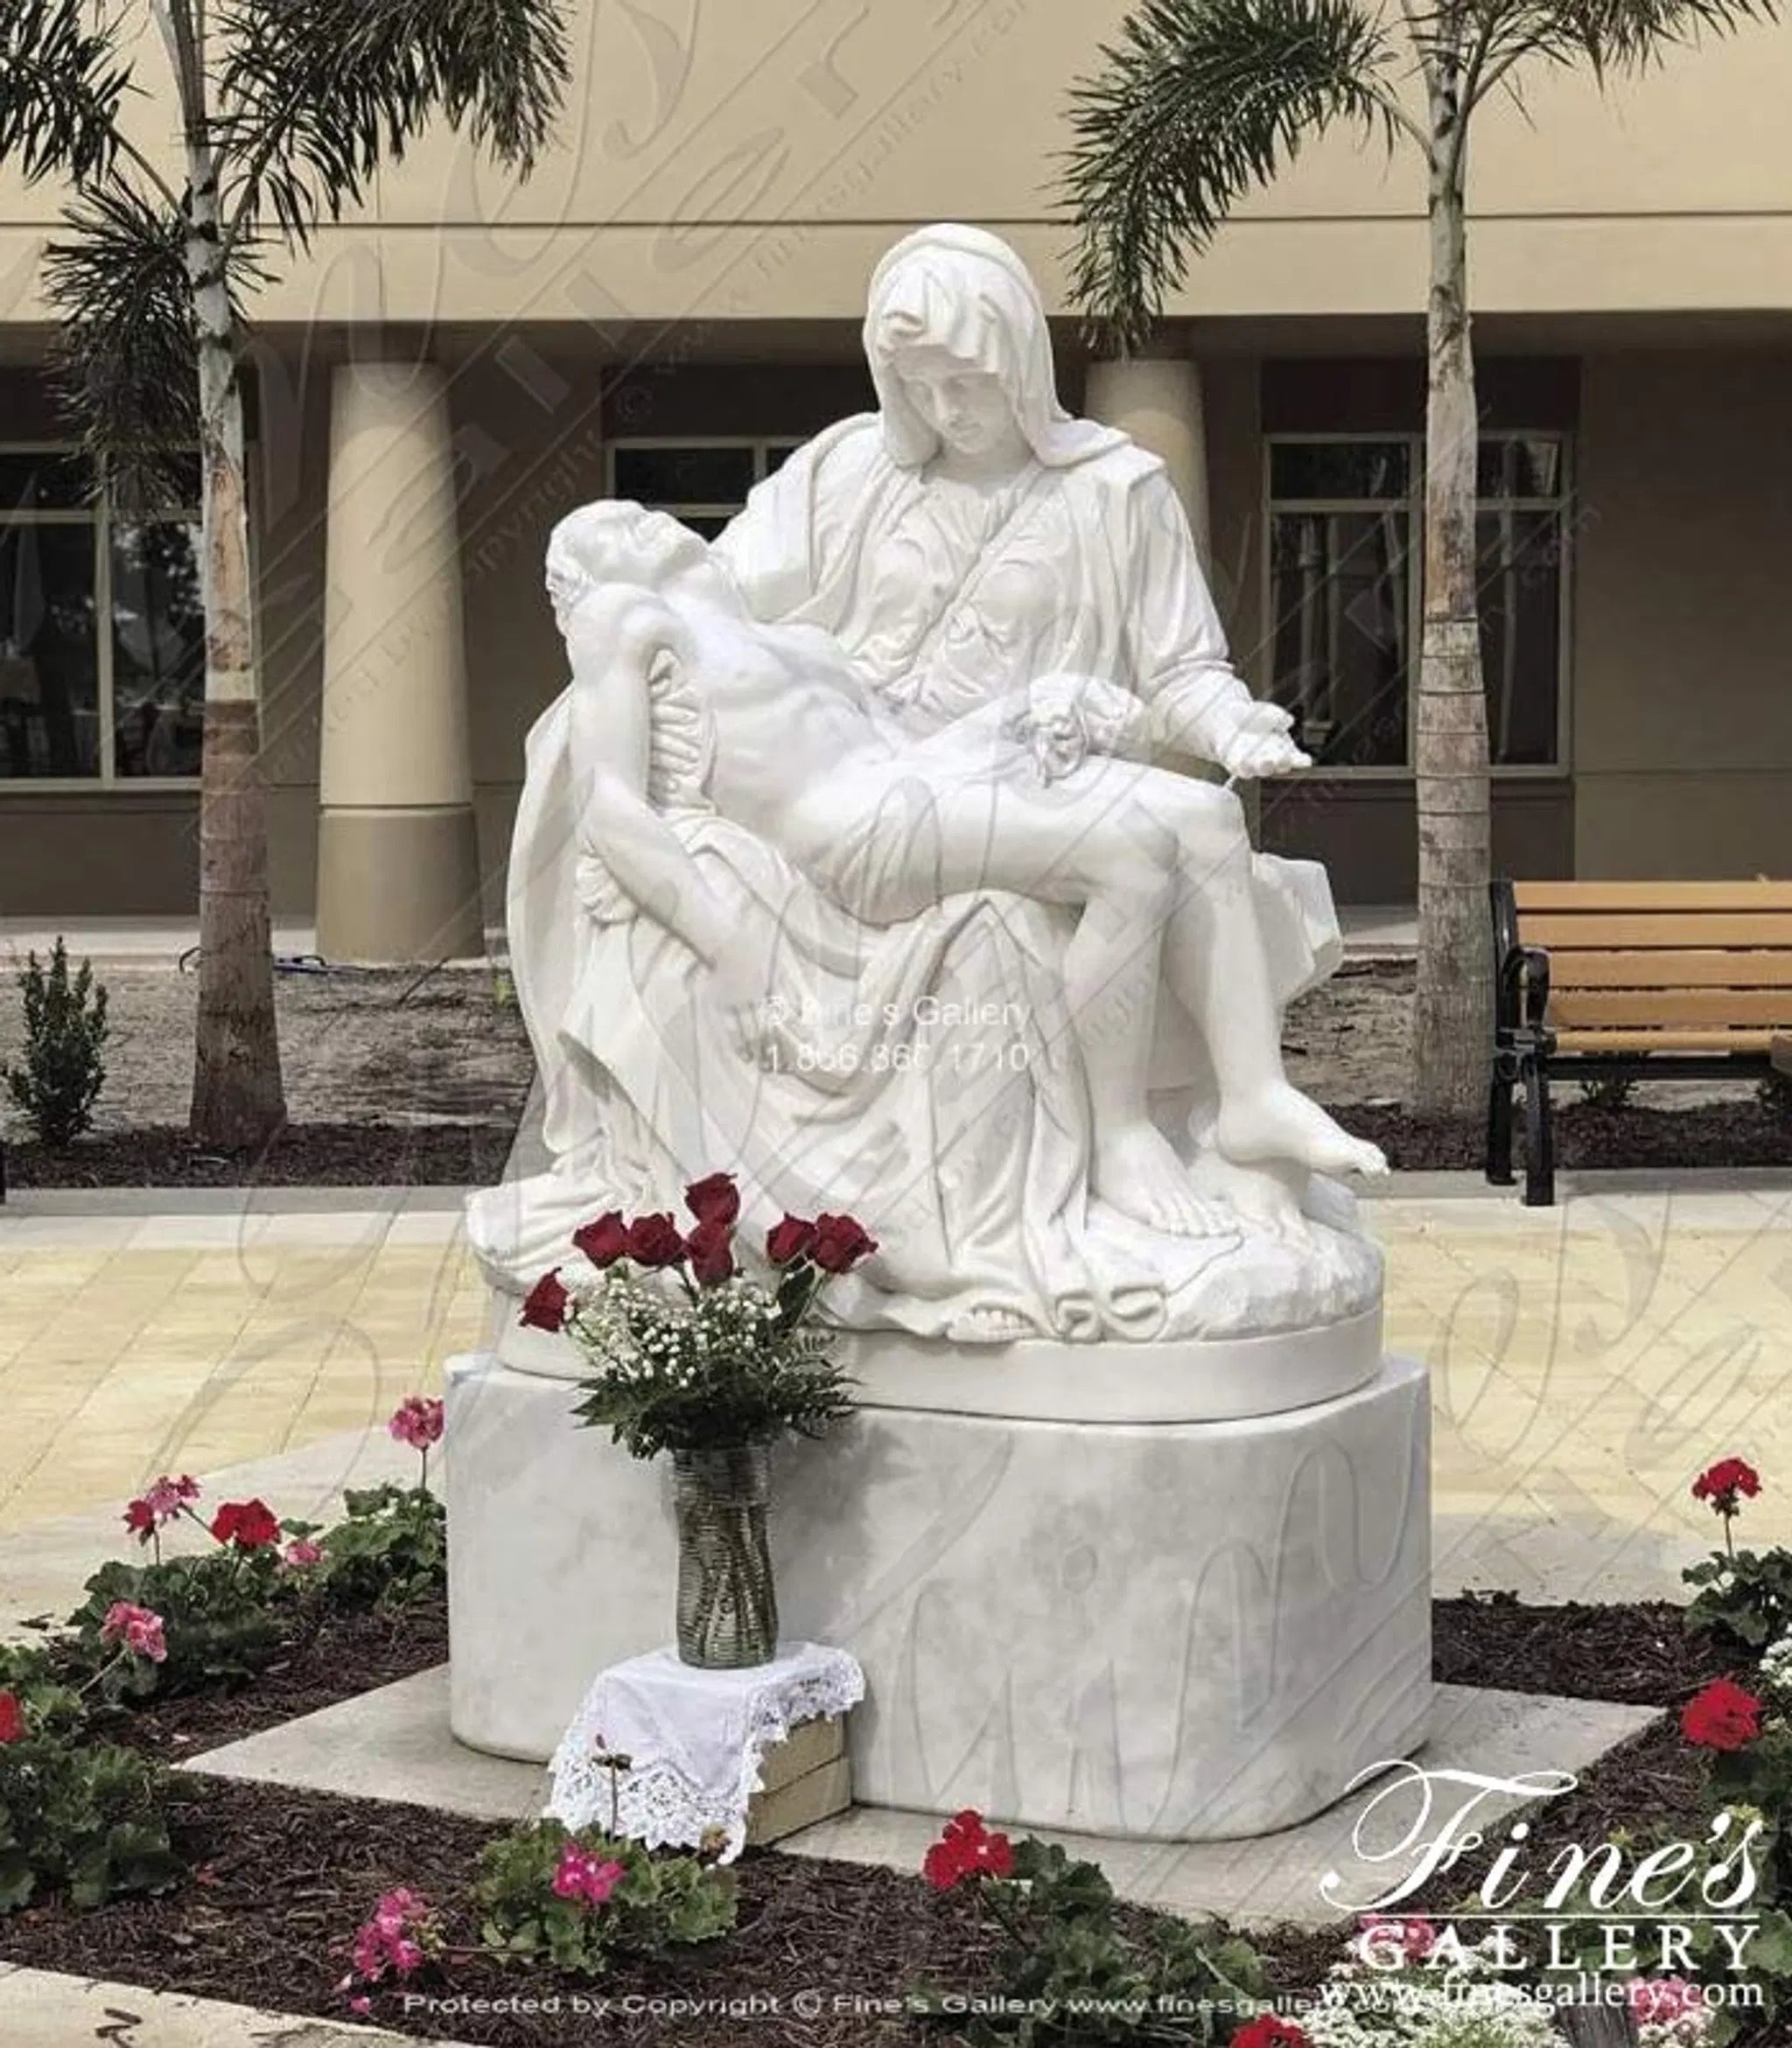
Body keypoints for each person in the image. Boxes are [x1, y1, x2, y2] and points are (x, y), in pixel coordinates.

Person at [549, 499, 1383, 1245]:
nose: (642, 517)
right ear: (583, 578)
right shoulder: (622, 615)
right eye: (611, 525)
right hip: (851, 833)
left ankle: (1253, 1095)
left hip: (915, 788)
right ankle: (1120, 1138)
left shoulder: (791, 639)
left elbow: (904, 745)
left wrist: (1026, 712)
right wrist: (725, 942)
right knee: (1130, 857)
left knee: (1207, 819)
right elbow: (611, 804)